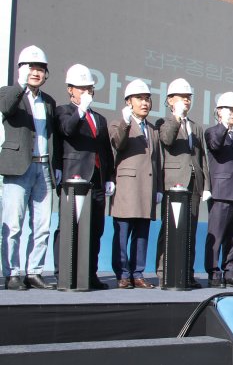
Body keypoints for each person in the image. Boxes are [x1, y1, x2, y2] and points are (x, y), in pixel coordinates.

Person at [0, 46, 58, 290]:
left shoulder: (48, 101)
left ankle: (34, 271)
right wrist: (21, 86)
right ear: (21, 69)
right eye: (31, 67)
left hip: (43, 167)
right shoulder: (9, 93)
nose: (36, 73)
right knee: (13, 224)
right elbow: (6, 109)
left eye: (40, 69)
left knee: (42, 225)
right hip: (18, 167)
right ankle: (12, 273)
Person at [54, 64, 115, 290]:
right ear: (70, 89)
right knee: (70, 226)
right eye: (81, 89)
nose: (86, 93)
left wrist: (109, 176)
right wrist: (81, 111)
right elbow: (67, 130)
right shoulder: (63, 111)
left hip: (96, 180)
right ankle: (64, 272)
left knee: (95, 229)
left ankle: (90, 274)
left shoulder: (99, 118)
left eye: (89, 88)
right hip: (74, 178)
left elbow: (106, 150)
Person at [155, 78, 209, 289]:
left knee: (191, 229)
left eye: (188, 97)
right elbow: (167, 140)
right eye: (181, 97)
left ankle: (187, 271)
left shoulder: (195, 127)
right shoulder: (163, 123)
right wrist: (177, 118)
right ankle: (164, 270)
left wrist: (206, 185)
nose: (186, 101)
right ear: (170, 100)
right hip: (174, 184)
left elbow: (202, 157)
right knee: (169, 228)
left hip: (194, 184)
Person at [109, 78, 163, 289]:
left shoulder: (152, 129)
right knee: (122, 234)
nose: (144, 103)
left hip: (146, 189)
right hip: (126, 188)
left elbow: (157, 161)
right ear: (128, 101)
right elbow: (118, 142)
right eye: (139, 98)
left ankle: (138, 273)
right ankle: (123, 274)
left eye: (147, 99)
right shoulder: (118, 123)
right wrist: (125, 122)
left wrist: (158, 188)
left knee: (141, 235)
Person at [204, 92, 233, 288]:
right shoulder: (213, 131)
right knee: (217, 234)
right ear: (219, 112)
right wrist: (223, 124)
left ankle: (230, 271)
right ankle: (214, 273)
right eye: (230, 110)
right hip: (221, 192)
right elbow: (215, 145)